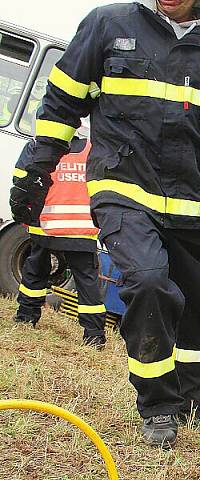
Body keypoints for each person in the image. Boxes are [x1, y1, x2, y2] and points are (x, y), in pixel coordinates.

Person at [9, 0, 200, 449]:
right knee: (148, 282)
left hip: (196, 206)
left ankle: (193, 404)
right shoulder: (108, 24)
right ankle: (158, 406)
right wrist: (36, 171)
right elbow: (61, 103)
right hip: (122, 187)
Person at [13, 122, 106, 349]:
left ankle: (26, 316)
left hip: (46, 225)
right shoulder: (92, 149)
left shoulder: (38, 147)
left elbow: (21, 182)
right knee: (88, 283)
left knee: (35, 272)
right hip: (81, 229)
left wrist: (22, 214)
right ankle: (94, 336)